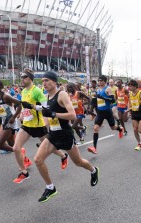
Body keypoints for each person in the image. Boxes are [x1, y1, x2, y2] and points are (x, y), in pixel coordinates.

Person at [34, 71, 99, 203]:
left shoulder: (61, 94)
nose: (44, 83)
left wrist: (53, 114)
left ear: (54, 81)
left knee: (78, 162)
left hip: (65, 134)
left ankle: (93, 170)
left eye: (46, 80)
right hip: (53, 134)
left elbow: (72, 115)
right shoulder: (47, 97)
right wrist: (40, 123)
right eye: (42, 81)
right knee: (38, 160)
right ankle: (50, 187)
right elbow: (48, 118)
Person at [12, 68, 68, 184]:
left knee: (50, 148)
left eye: (24, 77)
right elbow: (24, 106)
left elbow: (46, 107)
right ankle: (24, 172)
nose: (22, 79)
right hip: (27, 125)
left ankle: (63, 155)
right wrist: (22, 114)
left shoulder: (37, 91)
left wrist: (32, 106)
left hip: (38, 125)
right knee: (16, 148)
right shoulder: (23, 91)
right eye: (21, 77)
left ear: (30, 79)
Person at [87, 75, 124, 154]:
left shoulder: (108, 89)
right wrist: (90, 109)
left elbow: (112, 100)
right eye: (98, 81)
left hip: (107, 111)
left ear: (104, 81)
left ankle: (120, 129)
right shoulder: (98, 90)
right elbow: (95, 100)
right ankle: (94, 147)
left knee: (113, 127)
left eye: (101, 80)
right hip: (100, 112)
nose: (99, 82)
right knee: (95, 128)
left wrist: (103, 98)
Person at [0, 80, 23, 155]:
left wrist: (14, 117)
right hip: (4, 121)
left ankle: (18, 151)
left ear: (0, 87)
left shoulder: (5, 96)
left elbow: (19, 104)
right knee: (12, 144)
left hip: (10, 122)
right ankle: (23, 157)